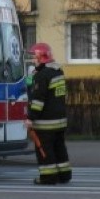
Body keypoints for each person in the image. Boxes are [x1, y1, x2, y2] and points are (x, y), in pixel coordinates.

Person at [25, 42, 71, 185]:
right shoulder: (58, 71)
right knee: (59, 148)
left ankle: (48, 177)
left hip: (45, 122)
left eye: (34, 57)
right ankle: (64, 175)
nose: (33, 60)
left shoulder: (42, 75)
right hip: (60, 120)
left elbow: (38, 100)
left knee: (45, 150)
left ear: (40, 57)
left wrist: (30, 118)